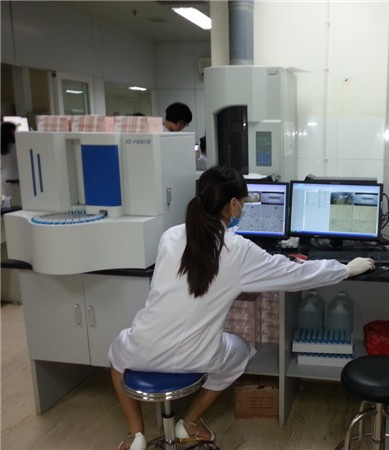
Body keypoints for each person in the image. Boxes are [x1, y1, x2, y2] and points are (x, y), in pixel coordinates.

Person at [108, 166, 375, 450]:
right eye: (245, 202)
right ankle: (190, 421)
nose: (244, 207)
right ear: (233, 204)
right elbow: (296, 275)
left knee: (115, 358)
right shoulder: (237, 249)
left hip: (143, 348)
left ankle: (135, 435)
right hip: (196, 358)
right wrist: (345, 269)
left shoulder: (170, 237)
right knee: (242, 350)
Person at [1, 121, 18, 207]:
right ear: (11, 132)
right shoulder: (16, 147)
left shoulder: (3, 148)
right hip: (15, 180)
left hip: (4, 179)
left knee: (9, 205)